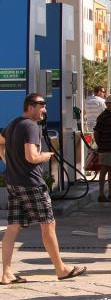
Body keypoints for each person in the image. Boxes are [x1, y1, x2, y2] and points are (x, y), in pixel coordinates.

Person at [0, 93, 87, 285]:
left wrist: (9, 162)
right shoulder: (30, 126)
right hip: (32, 184)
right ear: (30, 107)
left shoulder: (13, 124)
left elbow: (0, 141)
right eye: (41, 106)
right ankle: (61, 269)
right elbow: (31, 157)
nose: (45, 110)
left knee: (13, 227)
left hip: (14, 182)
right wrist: (45, 156)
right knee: (48, 225)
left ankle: (6, 273)